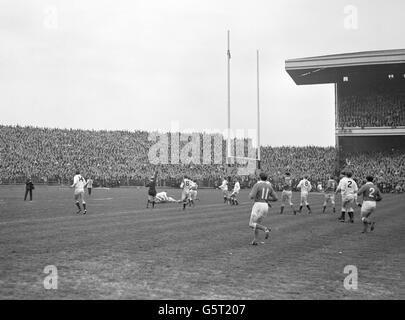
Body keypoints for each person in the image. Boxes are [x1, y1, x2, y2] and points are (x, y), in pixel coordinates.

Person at [248, 172, 278, 246]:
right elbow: (276, 198)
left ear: (259, 177)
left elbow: (252, 196)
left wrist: (250, 195)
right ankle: (255, 240)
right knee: (256, 224)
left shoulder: (257, 185)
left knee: (251, 224)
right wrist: (267, 199)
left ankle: (265, 229)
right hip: (265, 206)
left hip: (258, 205)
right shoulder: (269, 186)